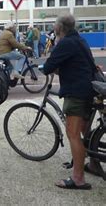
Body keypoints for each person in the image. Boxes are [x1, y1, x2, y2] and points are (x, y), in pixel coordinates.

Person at [42, 14, 101, 190]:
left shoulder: (65, 43)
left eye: (54, 26)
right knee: (85, 131)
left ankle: (78, 179)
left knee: (73, 134)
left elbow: (47, 68)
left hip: (76, 93)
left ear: (59, 28)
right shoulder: (80, 40)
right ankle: (93, 164)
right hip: (88, 89)